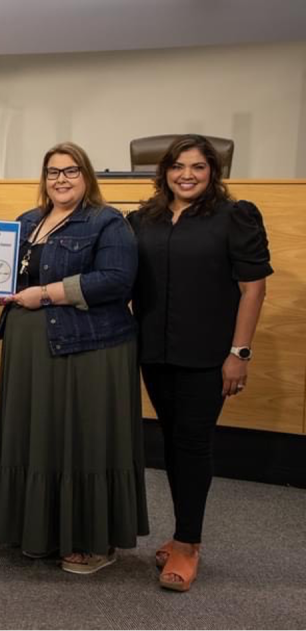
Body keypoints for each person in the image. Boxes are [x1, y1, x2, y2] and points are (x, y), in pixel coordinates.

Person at [0, 142, 148, 574]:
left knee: (83, 440)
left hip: (88, 348)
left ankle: (93, 541)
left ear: (87, 176)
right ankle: (36, 530)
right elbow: (10, 274)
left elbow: (115, 281)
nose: (60, 179)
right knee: (37, 437)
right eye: (53, 172)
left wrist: (46, 294)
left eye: (71, 171)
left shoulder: (107, 222)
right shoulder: (27, 221)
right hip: (28, 351)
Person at [128, 134, 271, 592]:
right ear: (163, 171)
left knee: (192, 443)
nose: (186, 175)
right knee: (172, 441)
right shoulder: (142, 220)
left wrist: (239, 354)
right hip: (154, 352)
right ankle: (181, 532)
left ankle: (189, 544)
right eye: (177, 166)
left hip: (208, 356)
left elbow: (253, 289)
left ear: (214, 172)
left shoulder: (234, 217)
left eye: (198, 167)